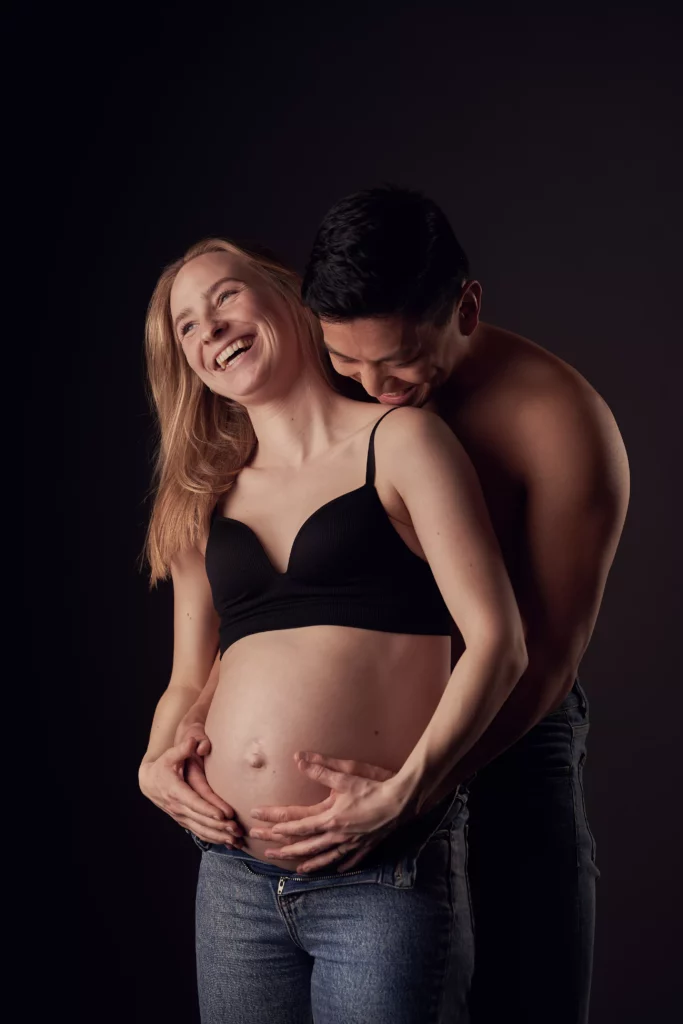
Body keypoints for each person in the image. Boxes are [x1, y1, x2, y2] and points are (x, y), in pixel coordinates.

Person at [245, 184, 627, 1024]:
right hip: (366, 745)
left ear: (466, 308)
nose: (371, 385)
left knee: (526, 996)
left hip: (511, 734)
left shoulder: (559, 423)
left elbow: (547, 657)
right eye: (347, 362)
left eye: (397, 362)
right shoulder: (330, 381)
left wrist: (416, 786)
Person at [138, 237, 528, 1024]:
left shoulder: (401, 442)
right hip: (233, 879)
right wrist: (152, 764)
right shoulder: (201, 496)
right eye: (186, 326)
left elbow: (498, 643)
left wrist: (405, 795)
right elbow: (188, 678)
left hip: (379, 872)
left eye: (224, 297)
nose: (210, 329)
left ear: (287, 297)